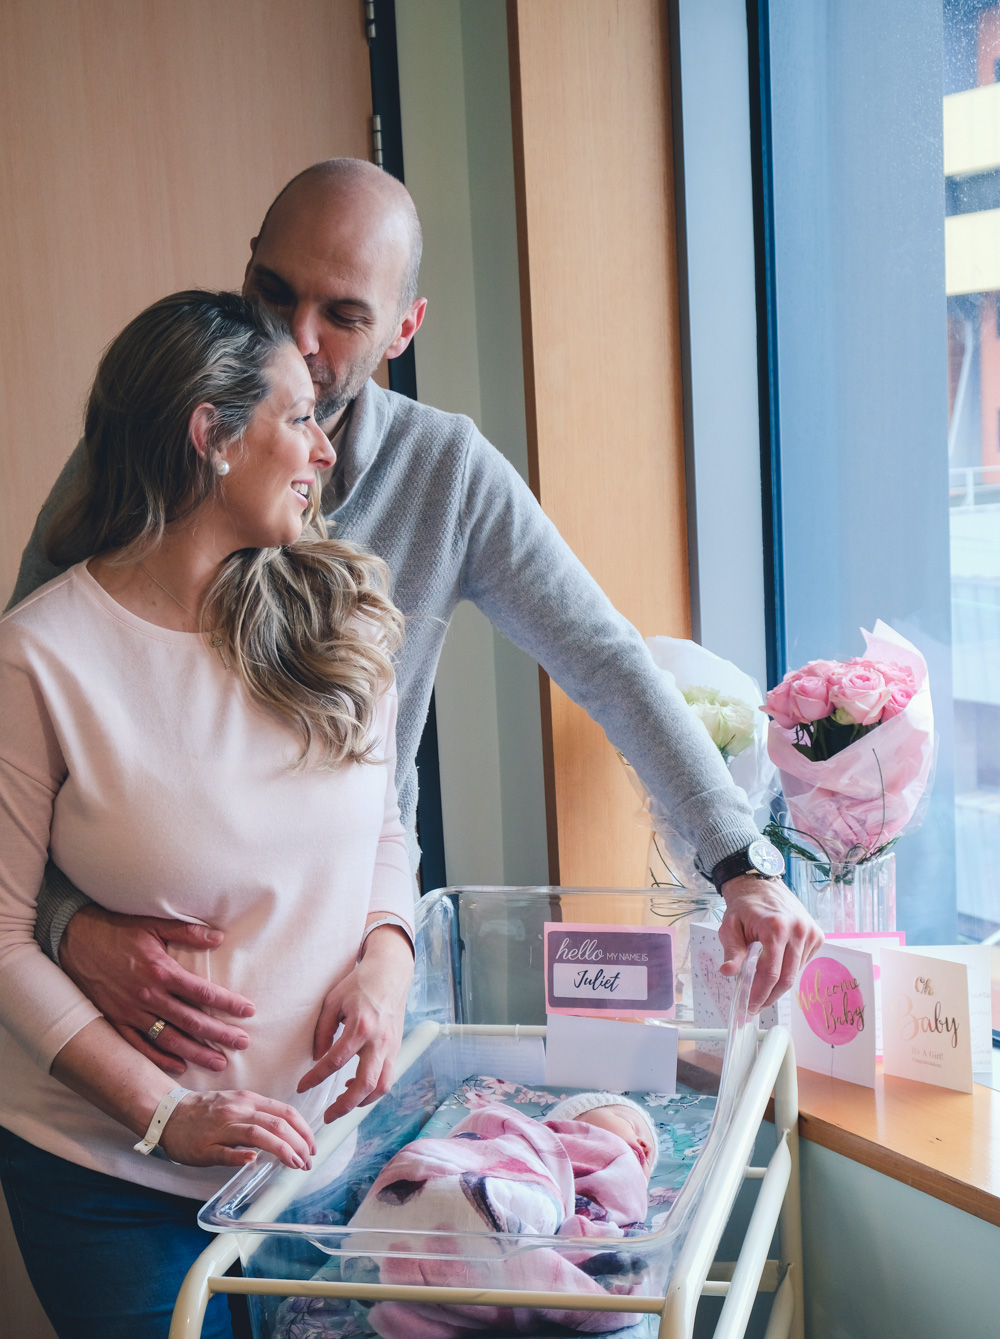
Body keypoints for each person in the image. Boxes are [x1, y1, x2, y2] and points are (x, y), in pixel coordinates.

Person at [9, 158, 822, 1108]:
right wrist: (67, 927)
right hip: (127, 1051)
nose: (296, 340)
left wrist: (739, 864)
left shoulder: (446, 473)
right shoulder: (149, 457)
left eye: (343, 315)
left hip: (346, 1020)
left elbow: (608, 661)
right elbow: (29, 711)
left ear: (404, 327)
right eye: (272, 295)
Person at [0, 290, 416, 1339]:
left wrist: (384, 964)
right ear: (210, 434)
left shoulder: (334, 611)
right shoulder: (44, 655)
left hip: (317, 1161)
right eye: (300, 418)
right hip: (112, 1181)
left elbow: (382, 829)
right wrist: (161, 1114)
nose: (329, 448)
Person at [342, 1092, 658, 1339]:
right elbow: (594, 1228)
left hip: (386, 1233)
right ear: (566, 1122)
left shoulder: (617, 1167)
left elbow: (587, 1213)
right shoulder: (577, 1145)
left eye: (648, 1157)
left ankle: (409, 1296)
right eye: (628, 1121)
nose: (642, 1144)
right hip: (469, 1181)